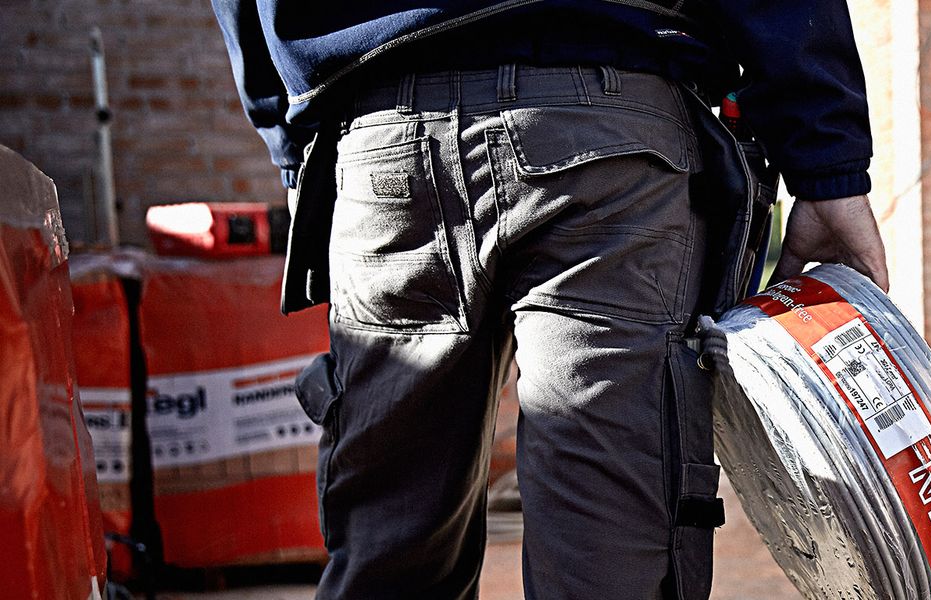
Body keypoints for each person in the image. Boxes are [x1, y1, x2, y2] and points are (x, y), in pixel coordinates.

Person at [209, 1, 890, 598]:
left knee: (389, 552)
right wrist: (825, 160)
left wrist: (293, 143)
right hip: (606, 131)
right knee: (609, 554)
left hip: (382, 142)